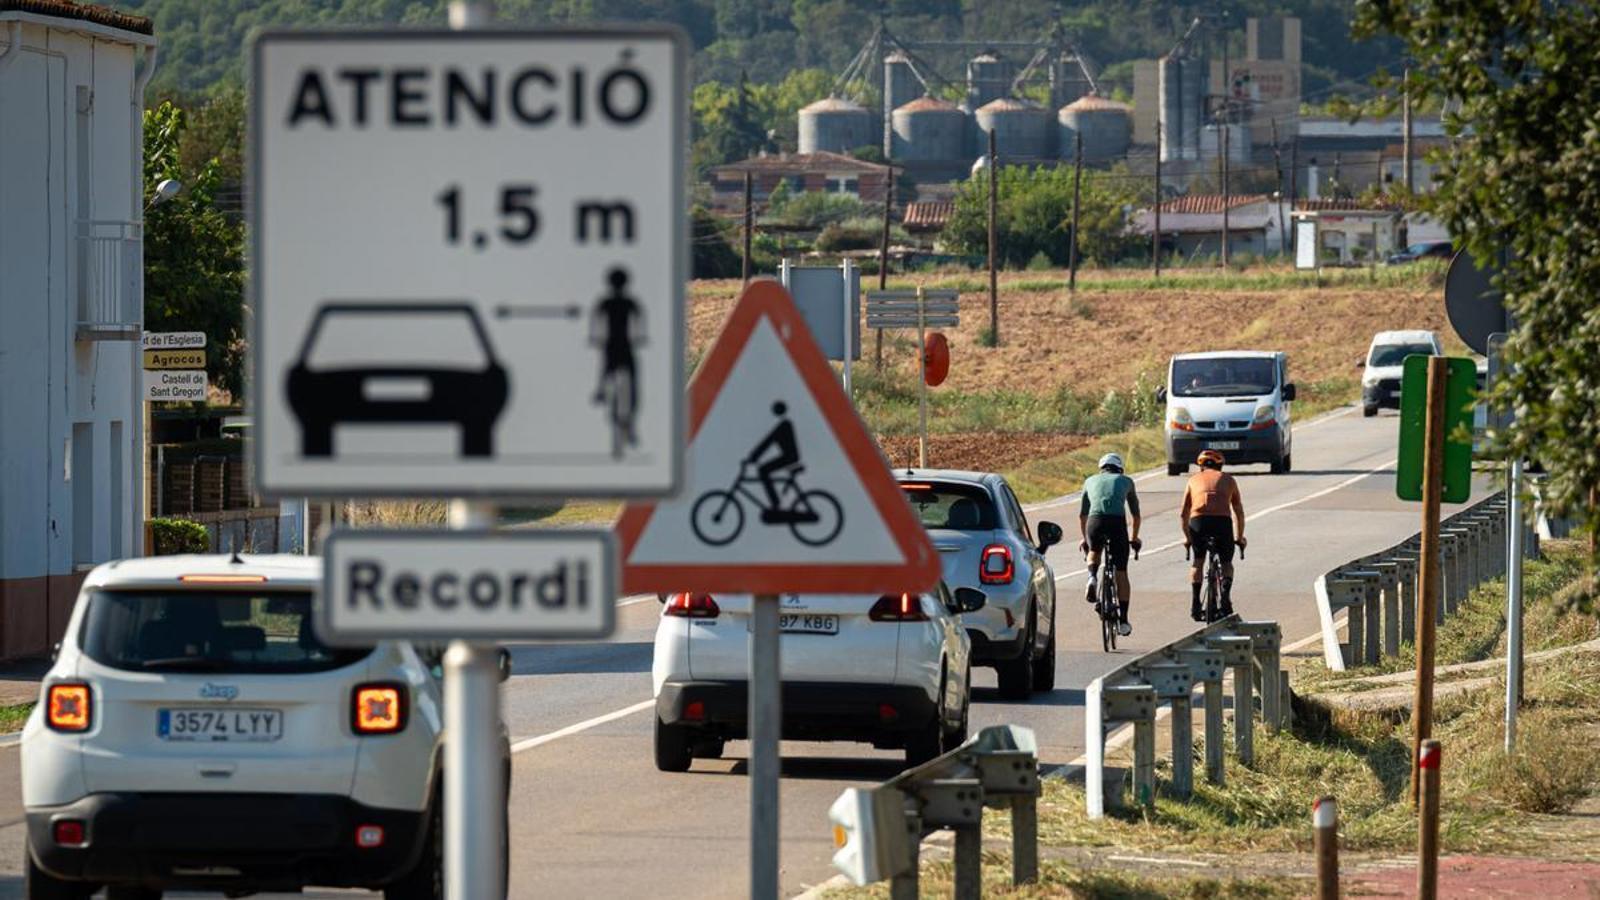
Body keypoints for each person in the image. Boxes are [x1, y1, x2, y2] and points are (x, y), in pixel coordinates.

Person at [1078, 453, 1142, 637]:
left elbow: (1082, 515)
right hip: (1116, 523)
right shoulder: (1126, 481)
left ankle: (1091, 576)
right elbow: (1136, 516)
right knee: (1121, 571)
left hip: (1094, 522)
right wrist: (1134, 538)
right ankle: (1123, 621)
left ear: (1101, 468)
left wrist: (1085, 539)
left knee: (1094, 550)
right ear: (1120, 468)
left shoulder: (1089, 481)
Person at [1179, 449, 1247, 621]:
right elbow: (1238, 511)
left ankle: (1195, 603)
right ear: (1220, 465)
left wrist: (1187, 538)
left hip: (1198, 522)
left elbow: (1183, 513)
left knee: (1198, 561)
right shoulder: (1229, 479)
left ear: (1201, 466)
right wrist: (1239, 537)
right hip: (1221, 523)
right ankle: (1225, 596)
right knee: (1226, 563)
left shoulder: (1192, 480)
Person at [590, 267, 644, 446]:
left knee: (606, 368)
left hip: (615, 345)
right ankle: (602, 391)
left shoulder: (610, 302)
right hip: (622, 345)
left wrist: (595, 336)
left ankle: (601, 391)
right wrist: (640, 336)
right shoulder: (624, 302)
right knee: (631, 383)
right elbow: (639, 318)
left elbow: (595, 319)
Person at [746, 401, 801, 522]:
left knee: (763, 470)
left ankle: (776, 504)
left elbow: (768, 441)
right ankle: (776, 503)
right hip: (789, 456)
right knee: (764, 470)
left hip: (790, 457)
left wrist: (753, 457)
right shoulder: (783, 424)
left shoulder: (783, 425)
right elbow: (767, 442)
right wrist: (753, 457)